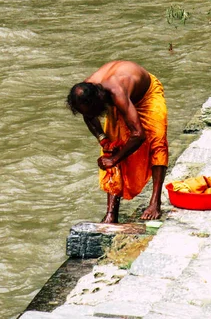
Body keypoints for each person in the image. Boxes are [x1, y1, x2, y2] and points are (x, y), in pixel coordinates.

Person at [66, 61, 168, 223]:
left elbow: (138, 135)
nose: (92, 115)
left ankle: (155, 202)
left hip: (146, 95)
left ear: (99, 100)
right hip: (119, 99)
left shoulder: (116, 93)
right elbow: (89, 116)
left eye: (93, 111)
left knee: (157, 142)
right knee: (113, 147)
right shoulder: (86, 90)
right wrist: (103, 140)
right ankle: (111, 214)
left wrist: (114, 159)